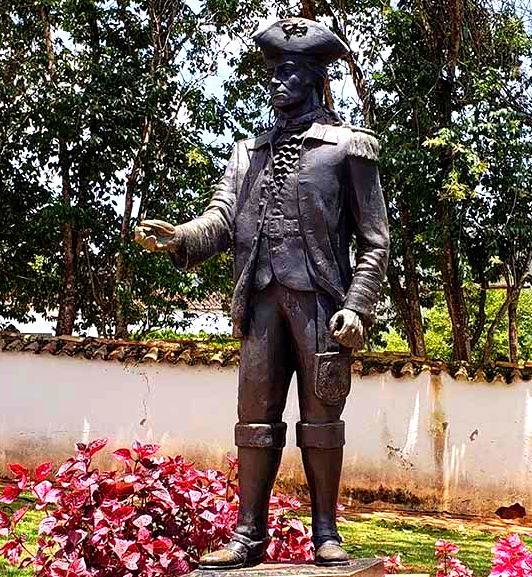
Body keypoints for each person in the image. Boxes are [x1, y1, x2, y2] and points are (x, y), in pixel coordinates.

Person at [135, 17, 389, 569]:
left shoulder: (350, 147)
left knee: (322, 421)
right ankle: (249, 534)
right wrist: (180, 237)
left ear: (317, 80)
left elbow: (375, 241)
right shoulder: (247, 152)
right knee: (254, 418)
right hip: (260, 302)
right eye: (273, 73)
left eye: (290, 73)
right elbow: (222, 219)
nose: (277, 83)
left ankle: (326, 532)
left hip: (321, 304)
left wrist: (357, 305)